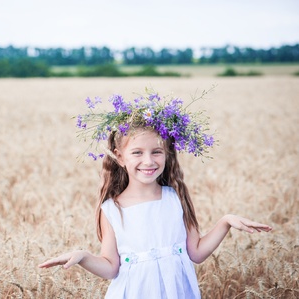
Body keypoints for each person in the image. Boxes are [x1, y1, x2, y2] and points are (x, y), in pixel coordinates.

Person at [38, 90, 272, 298]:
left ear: (168, 153)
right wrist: (83, 256)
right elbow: (111, 268)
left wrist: (225, 222)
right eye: (137, 152)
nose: (148, 161)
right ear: (119, 157)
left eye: (157, 152)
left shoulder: (175, 197)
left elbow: (197, 253)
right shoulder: (111, 209)